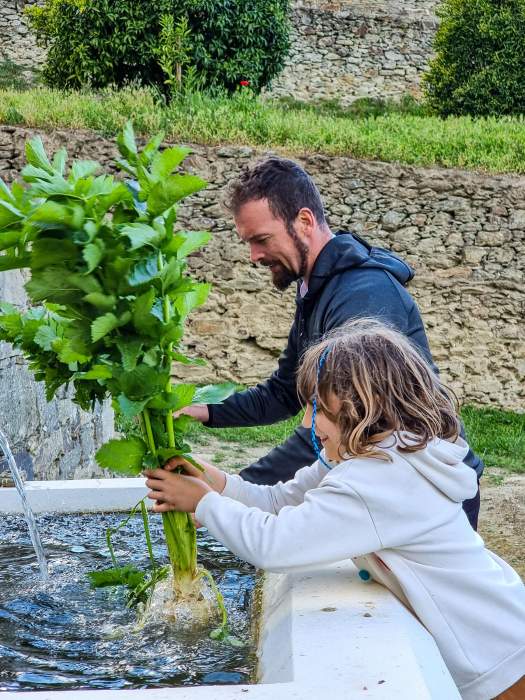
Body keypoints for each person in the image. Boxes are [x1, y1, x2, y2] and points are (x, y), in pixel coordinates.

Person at [146, 319, 525, 700]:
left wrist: (204, 503)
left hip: (497, 660)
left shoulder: (381, 480)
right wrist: (219, 482)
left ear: (361, 407)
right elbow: (280, 502)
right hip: (502, 630)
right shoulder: (372, 452)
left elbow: (276, 545)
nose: (307, 422)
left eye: (317, 408)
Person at [181, 157, 483, 529]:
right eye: (248, 243)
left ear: (304, 222)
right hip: (385, 481)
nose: (254, 256)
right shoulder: (314, 289)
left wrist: (231, 494)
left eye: (261, 239)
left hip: (432, 492)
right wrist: (204, 410)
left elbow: (343, 420)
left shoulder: (363, 297)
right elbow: (284, 392)